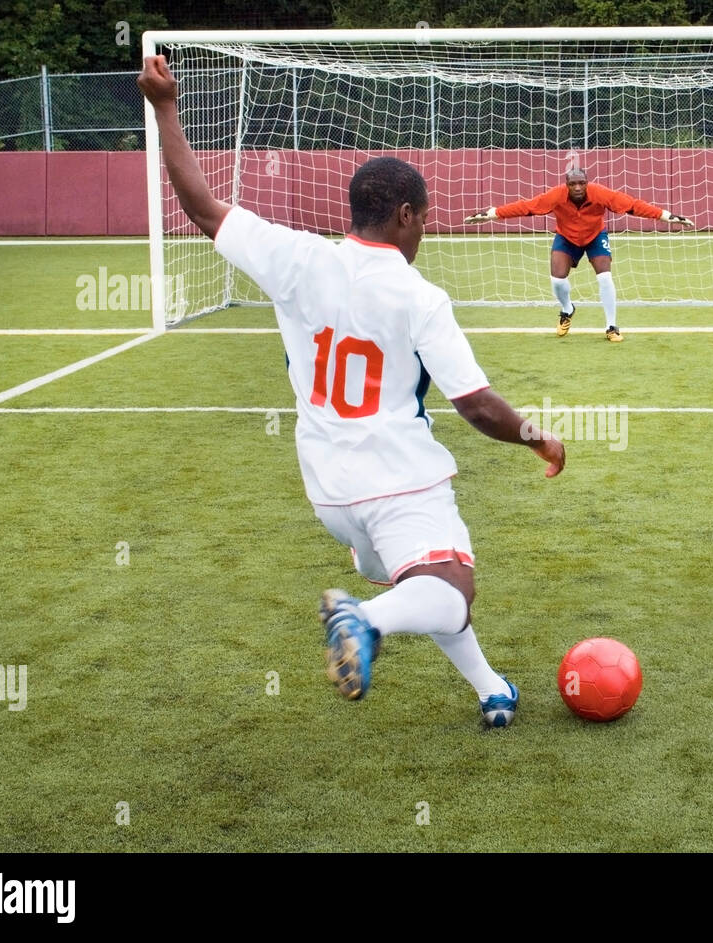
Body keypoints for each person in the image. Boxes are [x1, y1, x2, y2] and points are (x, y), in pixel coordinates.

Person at [137, 55, 564, 728]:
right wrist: (539, 436)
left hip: (329, 492)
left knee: (424, 579)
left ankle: (491, 688)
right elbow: (476, 406)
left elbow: (200, 205)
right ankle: (360, 619)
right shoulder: (420, 296)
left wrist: (165, 107)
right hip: (397, 480)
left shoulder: (297, 257)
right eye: (422, 218)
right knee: (452, 590)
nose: (425, 230)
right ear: (401, 214)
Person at [465, 168, 694, 342]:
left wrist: (668, 217)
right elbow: (526, 206)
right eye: (573, 184)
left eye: (581, 183)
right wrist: (491, 214)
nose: (577, 187)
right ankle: (567, 309)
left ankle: (611, 326)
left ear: (587, 183)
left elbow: (633, 205)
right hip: (566, 237)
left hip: (595, 236)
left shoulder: (600, 194)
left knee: (605, 276)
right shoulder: (555, 196)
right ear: (566, 185)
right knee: (557, 278)